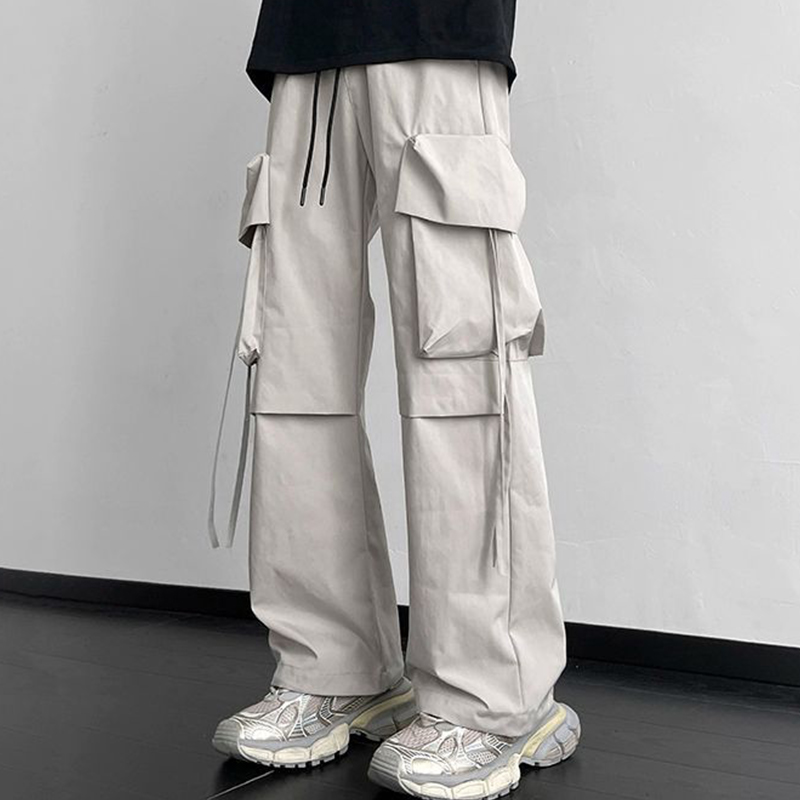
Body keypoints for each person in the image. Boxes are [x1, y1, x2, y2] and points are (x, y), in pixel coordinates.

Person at [208, 2, 581, 797]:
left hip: (434, 27)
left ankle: (496, 695)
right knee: (294, 368)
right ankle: (334, 666)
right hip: (305, 43)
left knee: (462, 364)